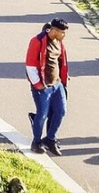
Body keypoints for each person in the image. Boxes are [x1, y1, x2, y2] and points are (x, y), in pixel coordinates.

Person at [25, 18, 70, 155]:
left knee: (61, 111)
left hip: (57, 84)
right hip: (42, 85)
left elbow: (61, 60)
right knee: (42, 114)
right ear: (54, 30)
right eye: (62, 32)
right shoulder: (37, 41)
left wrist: (64, 78)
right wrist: (38, 84)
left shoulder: (59, 42)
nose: (64, 35)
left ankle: (50, 139)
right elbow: (30, 65)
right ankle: (36, 141)